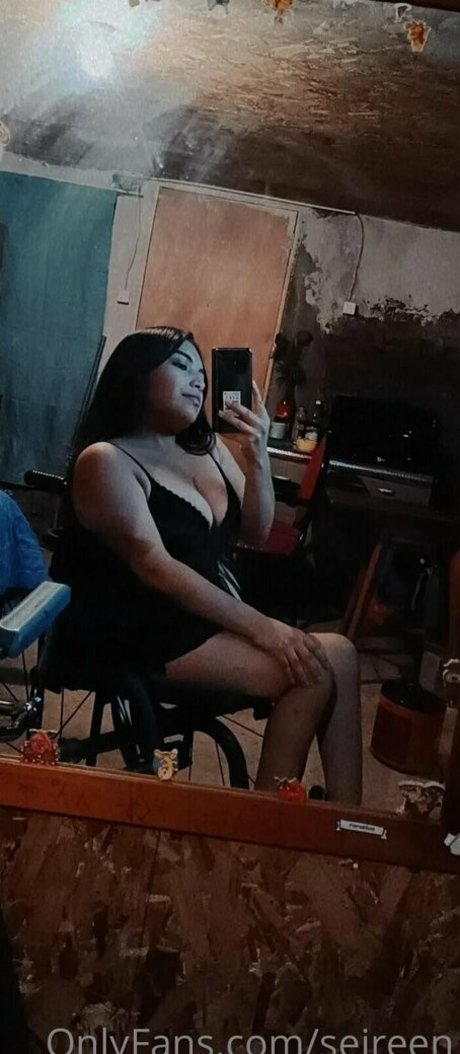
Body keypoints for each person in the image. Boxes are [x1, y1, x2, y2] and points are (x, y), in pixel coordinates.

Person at [52, 327, 362, 802]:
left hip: (203, 613)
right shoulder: (107, 459)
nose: (198, 380)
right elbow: (155, 566)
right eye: (180, 366)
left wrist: (257, 457)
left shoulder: (205, 446)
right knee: (312, 669)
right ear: (135, 375)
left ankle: (345, 820)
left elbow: (256, 532)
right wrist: (265, 629)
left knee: (341, 652)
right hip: (143, 626)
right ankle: (265, 823)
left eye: (201, 371)